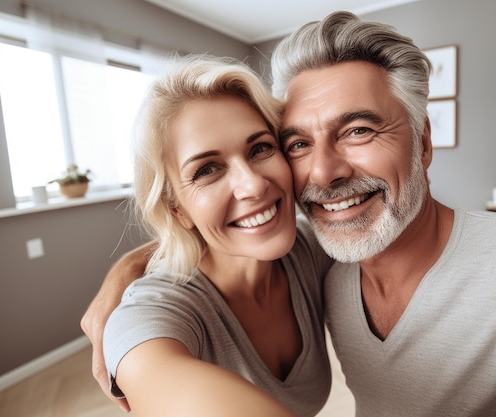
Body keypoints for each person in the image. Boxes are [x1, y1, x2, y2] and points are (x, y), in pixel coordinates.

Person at [82, 11, 496, 417]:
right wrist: (127, 279)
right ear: (175, 207)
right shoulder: (322, 255)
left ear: (423, 143)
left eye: (358, 130)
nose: (324, 172)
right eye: (296, 143)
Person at [95, 54, 334, 417]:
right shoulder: (154, 309)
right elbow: (149, 363)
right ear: (176, 210)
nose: (252, 185)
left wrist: (129, 262)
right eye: (207, 169)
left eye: (260, 148)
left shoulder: (312, 248)